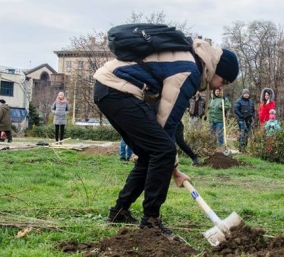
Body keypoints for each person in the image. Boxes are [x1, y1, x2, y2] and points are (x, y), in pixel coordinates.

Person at [93, 38, 239, 239]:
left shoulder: (190, 60)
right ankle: (151, 221)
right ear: (216, 69)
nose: (219, 86)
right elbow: (167, 123)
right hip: (118, 90)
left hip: (108, 88)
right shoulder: (190, 70)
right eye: (223, 81)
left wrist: (173, 167)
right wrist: (175, 168)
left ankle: (120, 211)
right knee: (163, 150)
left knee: (148, 153)